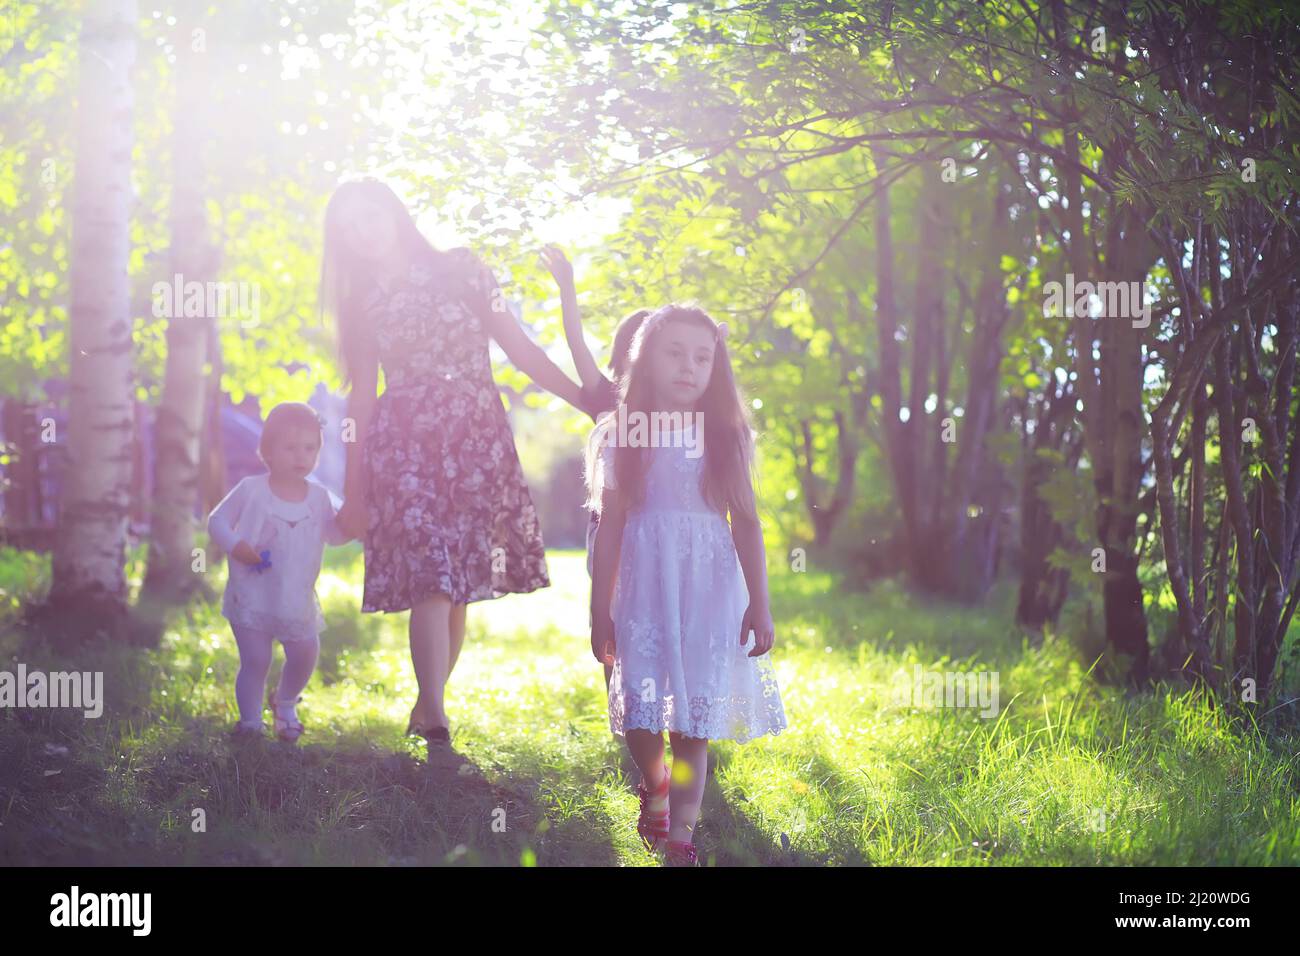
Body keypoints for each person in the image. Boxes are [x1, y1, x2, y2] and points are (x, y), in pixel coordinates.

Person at [323, 179, 588, 746]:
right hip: (402, 445)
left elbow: (521, 351)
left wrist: (585, 399)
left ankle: (427, 705)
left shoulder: (464, 270)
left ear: (395, 214)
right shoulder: (360, 302)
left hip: (475, 440)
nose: (361, 235)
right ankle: (438, 721)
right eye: (348, 230)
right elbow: (361, 398)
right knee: (431, 576)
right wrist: (355, 487)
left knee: (461, 580)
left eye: (368, 219)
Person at [587, 303, 787, 866]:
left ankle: (681, 840)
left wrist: (760, 606)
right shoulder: (625, 433)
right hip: (646, 587)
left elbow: (746, 522)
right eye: (674, 353)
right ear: (646, 360)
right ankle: (654, 782)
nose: (688, 366)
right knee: (641, 713)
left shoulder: (726, 436)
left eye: (702, 357)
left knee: (691, 721)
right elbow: (611, 528)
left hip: (707, 590)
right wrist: (599, 610)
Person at [207, 402, 352, 743]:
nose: (300, 456)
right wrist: (235, 544)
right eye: (289, 447)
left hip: (295, 598)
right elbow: (217, 521)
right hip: (252, 593)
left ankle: (285, 702)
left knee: (305, 654)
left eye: (309, 448)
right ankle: (251, 723)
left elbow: (334, 535)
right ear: (267, 450)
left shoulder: (319, 497)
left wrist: (356, 526)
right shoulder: (251, 489)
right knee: (256, 659)